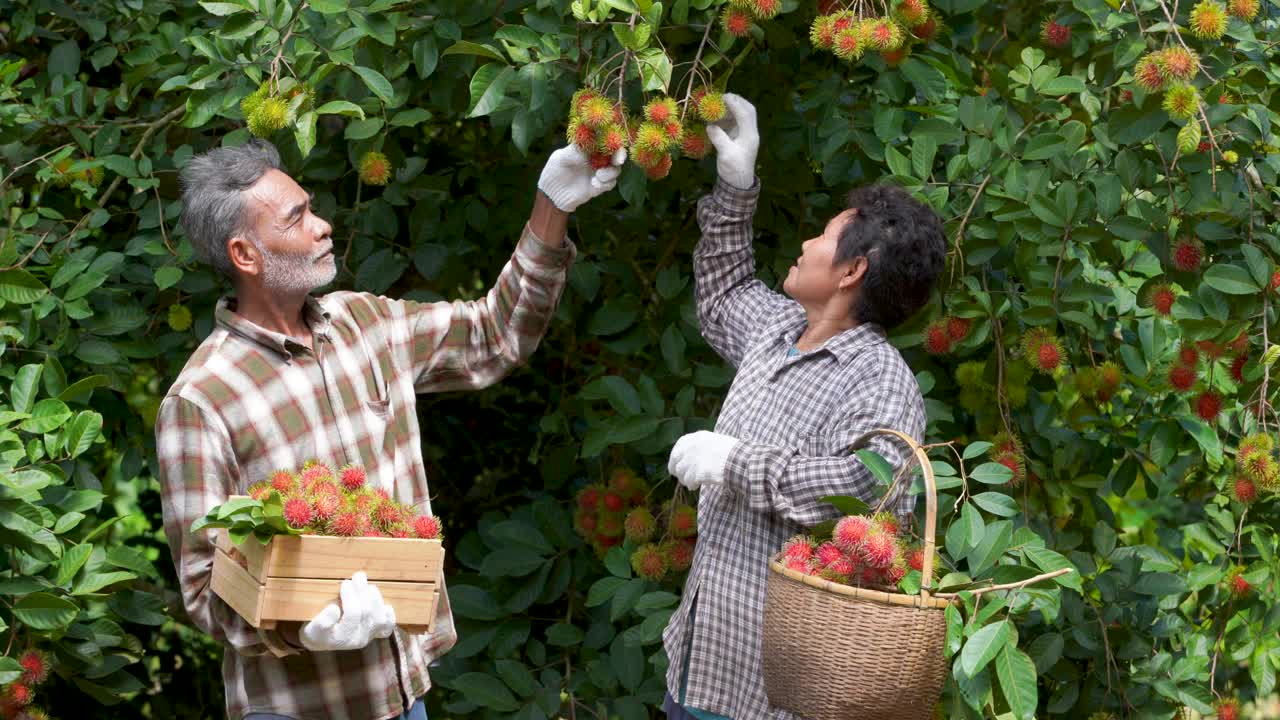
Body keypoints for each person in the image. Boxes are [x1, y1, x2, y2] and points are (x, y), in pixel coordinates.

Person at [155, 138, 624, 720]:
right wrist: (303, 630)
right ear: (245, 255)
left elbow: (494, 335)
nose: (324, 226)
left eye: (313, 207)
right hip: (299, 708)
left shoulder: (363, 322)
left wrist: (551, 207)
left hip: (405, 697)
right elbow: (204, 588)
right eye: (297, 219)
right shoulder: (201, 399)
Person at [662, 94, 946, 720]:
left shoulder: (880, 381)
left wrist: (738, 463)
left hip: (776, 699)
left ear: (853, 271)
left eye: (823, 235)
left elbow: (869, 492)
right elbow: (723, 292)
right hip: (698, 663)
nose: (806, 242)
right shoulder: (777, 328)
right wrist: (736, 185)